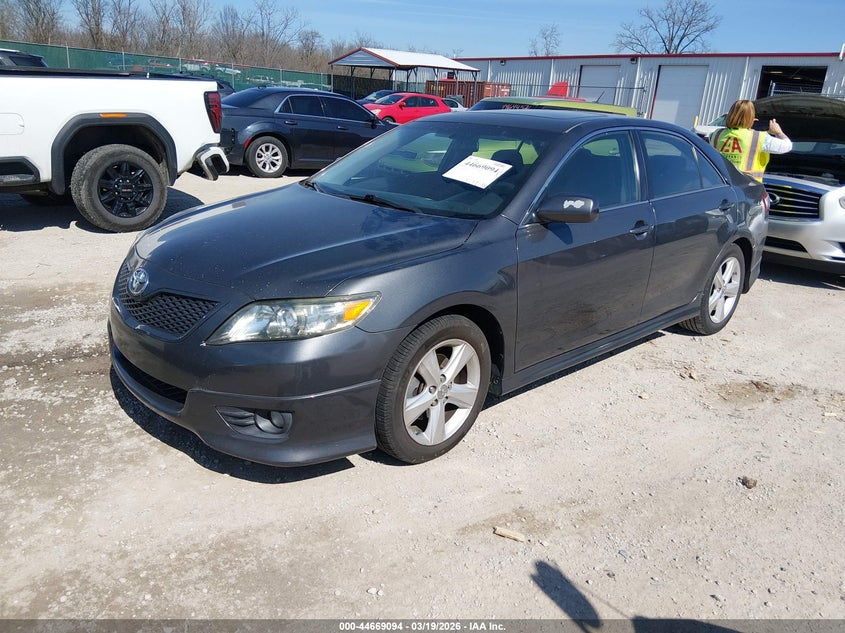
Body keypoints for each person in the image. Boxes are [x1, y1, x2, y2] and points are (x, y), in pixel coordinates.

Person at [709, 99, 792, 181]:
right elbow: (787, 146)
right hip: (747, 187)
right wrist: (778, 132)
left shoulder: (715, 134)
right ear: (752, 118)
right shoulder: (759, 137)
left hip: (720, 183)